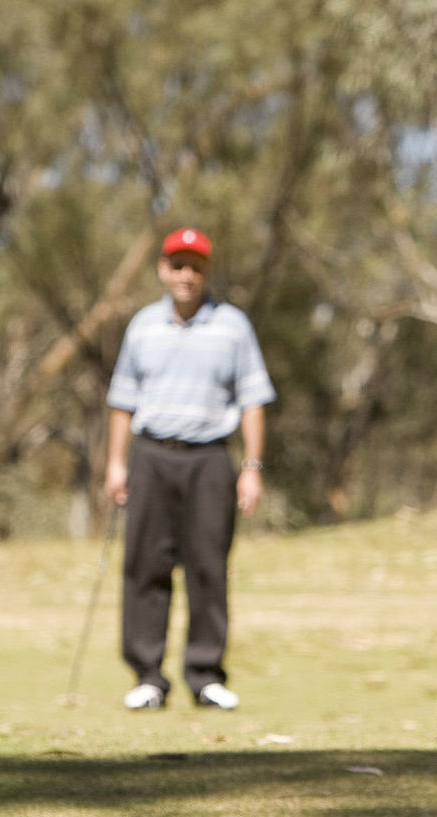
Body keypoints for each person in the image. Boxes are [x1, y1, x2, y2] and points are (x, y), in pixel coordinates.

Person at [104, 227, 275, 711]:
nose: (186, 275)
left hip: (210, 460)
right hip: (152, 456)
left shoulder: (233, 326)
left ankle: (205, 675)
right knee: (145, 566)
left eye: (195, 266)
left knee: (208, 567)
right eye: (178, 265)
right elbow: (122, 401)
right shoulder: (141, 326)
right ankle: (148, 676)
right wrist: (116, 464)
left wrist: (252, 467)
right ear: (163, 269)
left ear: (206, 272)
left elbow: (253, 401)